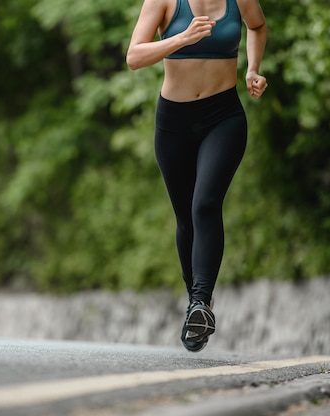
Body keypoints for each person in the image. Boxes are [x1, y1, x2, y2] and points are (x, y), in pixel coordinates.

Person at [126, 0, 267, 352]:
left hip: (224, 117)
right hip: (173, 123)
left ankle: (201, 302)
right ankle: (196, 306)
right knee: (185, 217)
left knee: (205, 204)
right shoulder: (163, 2)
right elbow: (134, 57)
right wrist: (181, 39)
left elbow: (258, 26)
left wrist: (252, 69)